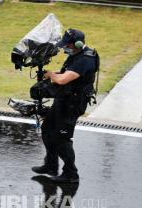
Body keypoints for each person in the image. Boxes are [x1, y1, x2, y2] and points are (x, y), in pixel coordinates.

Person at [31, 29, 99, 183]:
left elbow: (62, 80)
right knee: (47, 129)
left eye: (67, 45)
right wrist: (51, 73)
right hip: (63, 99)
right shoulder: (76, 55)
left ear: (77, 44)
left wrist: (50, 75)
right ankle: (51, 165)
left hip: (73, 105)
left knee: (62, 138)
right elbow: (65, 73)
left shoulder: (85, 60)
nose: (64, 48)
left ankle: (71, 174)